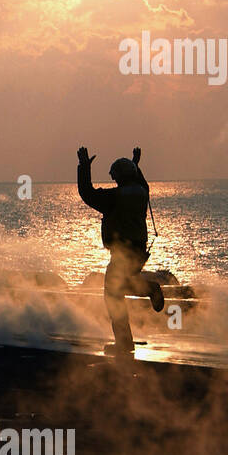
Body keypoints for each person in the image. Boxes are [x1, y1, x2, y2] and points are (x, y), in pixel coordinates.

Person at [77, 145, 165, 356]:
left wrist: (84, 167)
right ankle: (148, 291)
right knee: (122, 287)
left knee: (112, 294)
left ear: (118, 177)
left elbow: (87, 194)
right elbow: (141, 181)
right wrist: (136, 163)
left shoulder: (114, 198)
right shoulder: (143, 192)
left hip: (122, 253)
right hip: (139, 252)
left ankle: (126, 340)